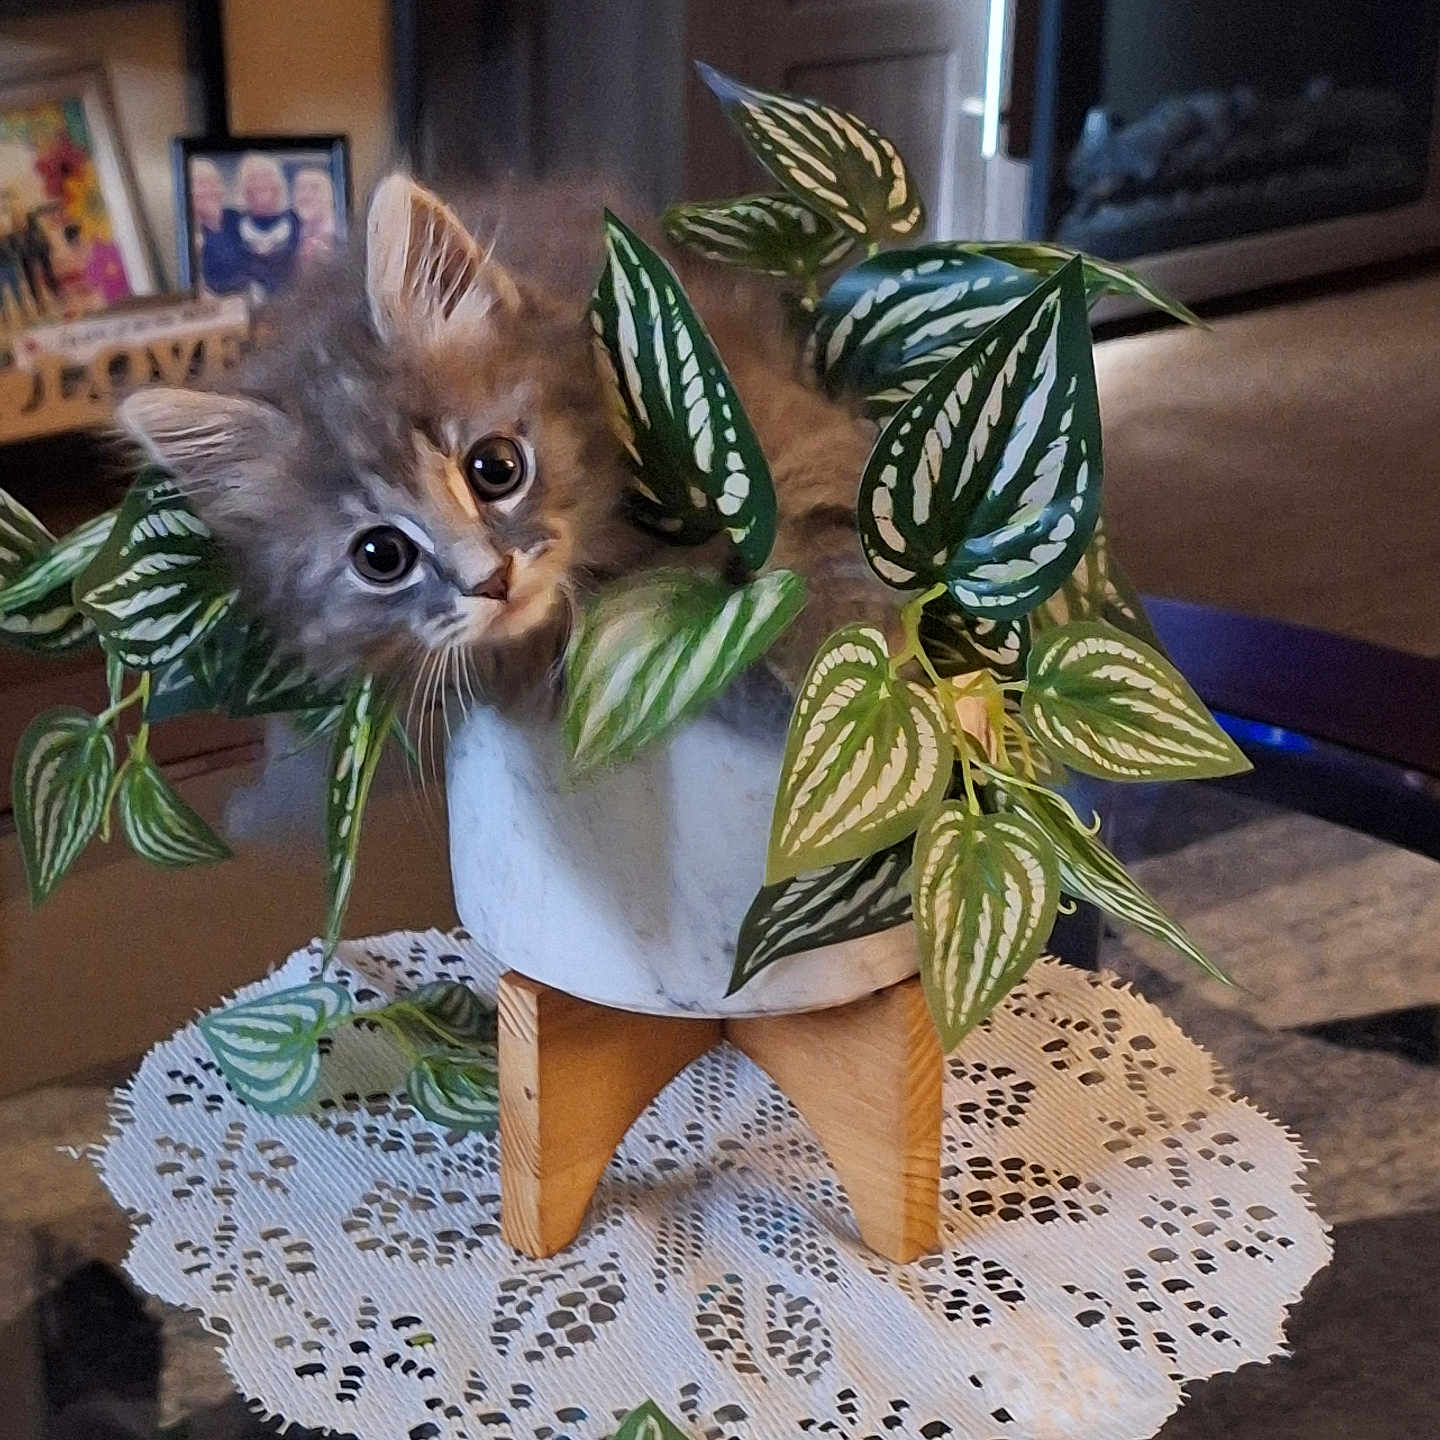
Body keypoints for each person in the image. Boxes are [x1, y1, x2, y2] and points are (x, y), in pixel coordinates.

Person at [235, 152, 299, 298]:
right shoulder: (232, 223)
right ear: (243, 185)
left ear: (278, 182)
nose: (260, 183)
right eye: (253, 177)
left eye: (266, 176)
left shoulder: (296, 220)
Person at [192, 157, 246, 296]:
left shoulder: (235, 217)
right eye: (202, 184)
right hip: (223, 307)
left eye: (215, 182)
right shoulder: (192, 236)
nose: (211, 189)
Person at [293, 166, 337, 268]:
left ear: (330, 196)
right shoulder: (287, 237)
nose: (306, 195)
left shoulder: (342, 233)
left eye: (315, 188)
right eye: (301, 188)